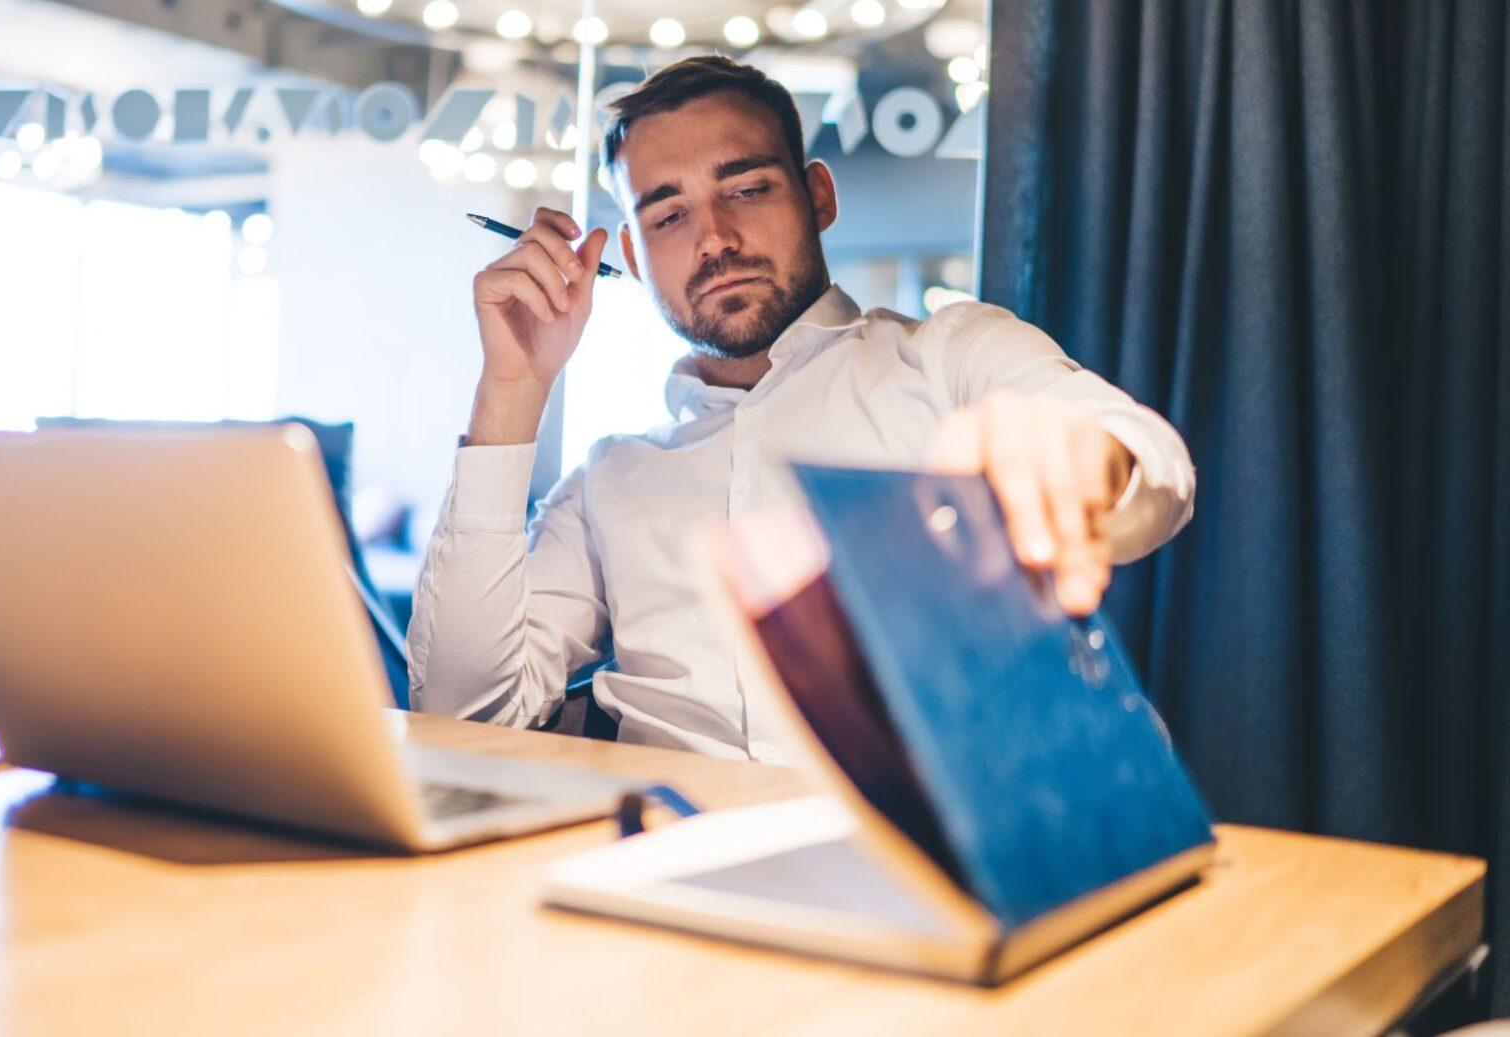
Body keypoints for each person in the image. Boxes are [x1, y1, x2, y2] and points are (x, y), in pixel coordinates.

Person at [407, 56, 1194, 758]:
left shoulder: (950, 357)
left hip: (937, 861)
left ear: (818, 196)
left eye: (748, 187)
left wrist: (1088, 461)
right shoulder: (610, 475)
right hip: (672, 858)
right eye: (668, 214)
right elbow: (463, 708)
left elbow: (1145, 457)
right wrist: (513, 388)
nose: (714, 238)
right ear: (630, 258)